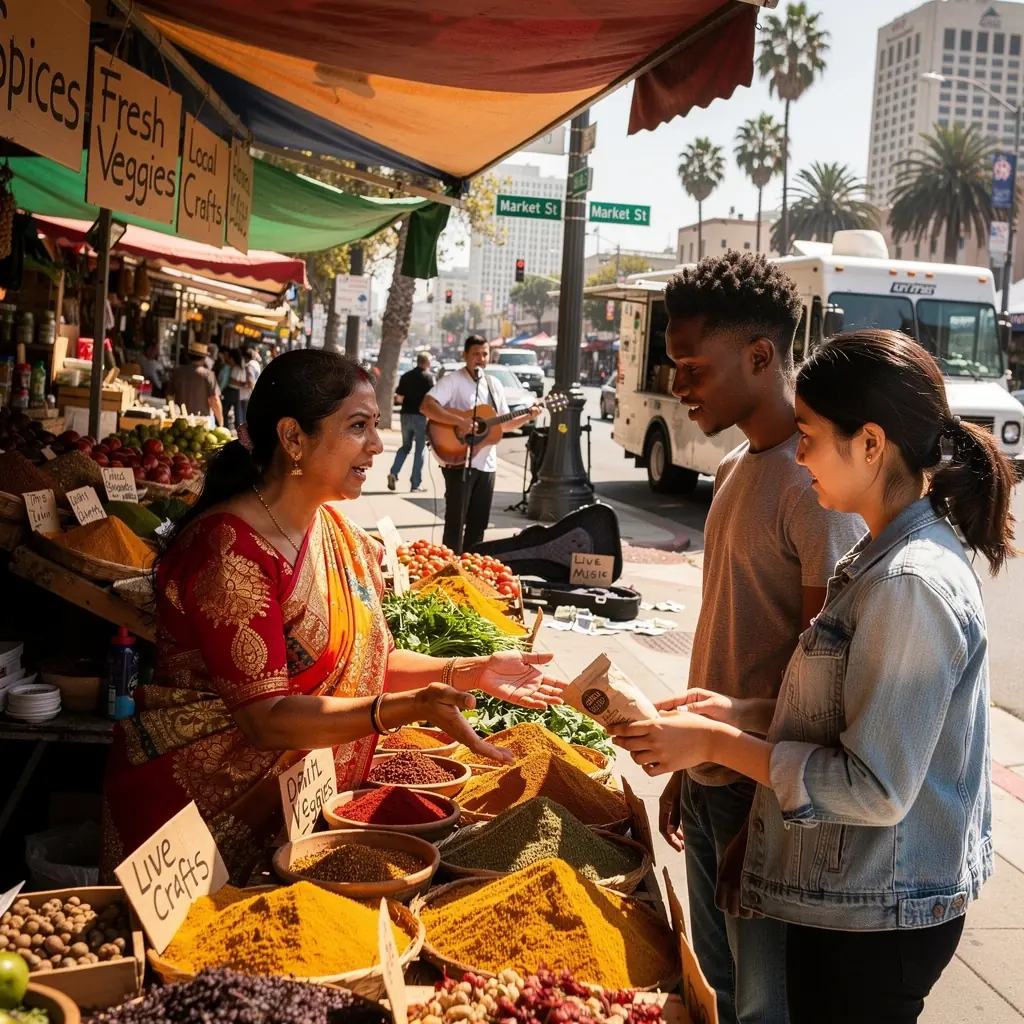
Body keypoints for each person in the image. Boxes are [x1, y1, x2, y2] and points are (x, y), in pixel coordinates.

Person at [611, 329, 1015, 1023]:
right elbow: (841, 712)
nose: (800, 455)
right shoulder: (881, 556)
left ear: (870, 443)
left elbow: (876, 787)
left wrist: (712, 747)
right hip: (856, 901)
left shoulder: (911, 582)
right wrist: (736, 711)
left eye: (810, 435)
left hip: (877, 918)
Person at [100, 350, 567, 882]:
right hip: (197, 825)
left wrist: (466, 670)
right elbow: (265, 718)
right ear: (294, 438)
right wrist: (403, 708)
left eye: (374, 426)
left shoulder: (336, 534)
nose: (375, 444)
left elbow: (375, 661)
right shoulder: (229, 550)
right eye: (358, 426)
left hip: (296, 812)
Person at [648, 253, 865, 1024]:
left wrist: (762, 821)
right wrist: (689, 761)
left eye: (692, 367)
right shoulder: (740, 463)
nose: (678, 385)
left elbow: (823, 684)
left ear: (761, 356)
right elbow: (726, 629)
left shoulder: (816, 489)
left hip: (764, 790)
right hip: (715, 776)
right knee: (713, 987)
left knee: (759, 1007)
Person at [421, 335, 540, 554]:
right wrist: (460, 422)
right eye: (475, 353)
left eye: (484, 354)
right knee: (455, 522)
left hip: (487, 465)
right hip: (458, 461)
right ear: (465, 355)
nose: (480, 358)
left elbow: (503, 424)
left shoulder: (494, 385)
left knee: (479, 523)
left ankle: (470, 567)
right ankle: (449, 566)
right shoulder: (453, 381)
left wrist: (527, 416)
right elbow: (427, 406)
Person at [388, 352, 435, 493]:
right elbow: (433, 399)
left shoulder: (406, 376)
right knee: (420, 449)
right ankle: (415, 483)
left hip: (405, 415)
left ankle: (394, 472)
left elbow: (399, 397)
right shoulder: (429, 378)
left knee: (405, 446)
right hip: (421, 416)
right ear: (426, 363)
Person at [167, 341, 224, 427]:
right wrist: (221, 423)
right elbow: (214, 400)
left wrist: (173, 413)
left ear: (189, 356)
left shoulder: (178, 372)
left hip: (180, 421)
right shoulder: (208, 374)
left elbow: (169, 395)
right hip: (201, 422)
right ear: (204, 357)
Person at [221, 349, 244, 430]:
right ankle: (235, 428)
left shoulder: (233, 368)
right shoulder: (240, 367)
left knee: (225, 411)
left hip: (230, 391)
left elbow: (232, 381)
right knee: (237, 411)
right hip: (236, 392)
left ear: (232, 358)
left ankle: (224, 427)